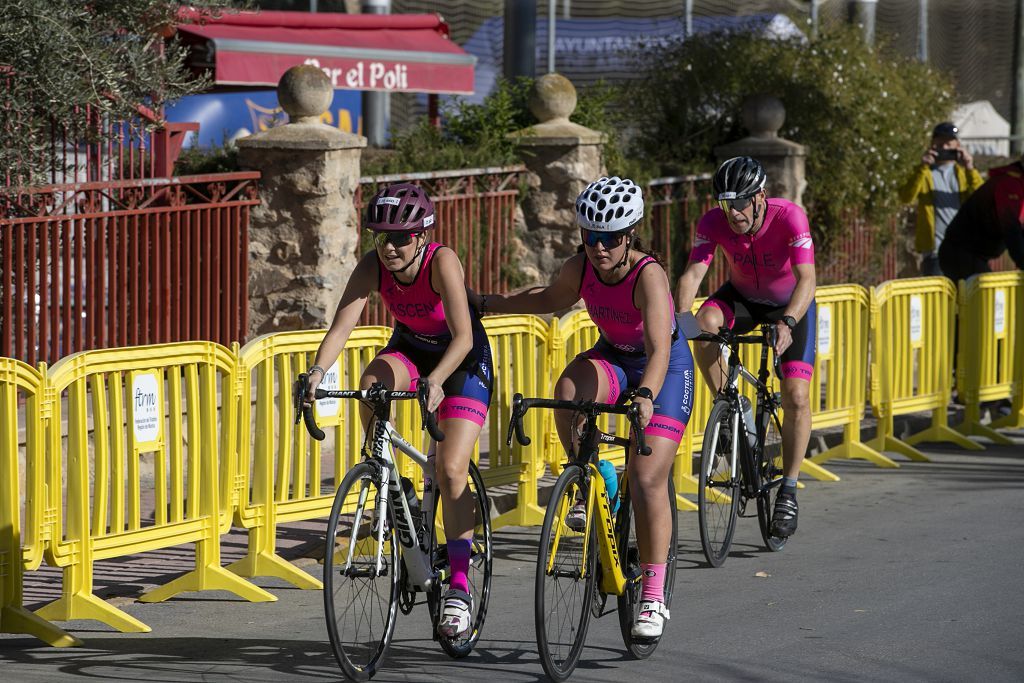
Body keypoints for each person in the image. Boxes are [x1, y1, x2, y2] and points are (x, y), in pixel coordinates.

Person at [471, 176, 694, 640]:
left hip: (664, 370)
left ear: (630, 235)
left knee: (648, 475)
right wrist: (491, 303)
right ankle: (588, 474)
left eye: (610, 238)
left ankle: (652, 593)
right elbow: (550, 300)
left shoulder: (648, 275)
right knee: (569, 391)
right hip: (614, 356)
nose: (599, 248)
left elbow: (656, 351)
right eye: (591, 237)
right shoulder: (582, 267)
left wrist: (646, 398)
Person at [303, 183, 493, 639]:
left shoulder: (441, 261)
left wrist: (436, 383)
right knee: (371, 384)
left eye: (400, 238)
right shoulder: (373, 266)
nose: (389, 247)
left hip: (462, 361)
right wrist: (316, 372)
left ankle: (461, 588)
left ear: (422, 237)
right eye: (380, 236)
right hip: (410, 350)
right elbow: (343, 323)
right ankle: (389, 479)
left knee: (449, 471)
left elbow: (464, 336)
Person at [675, 156, 816, 539]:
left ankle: (788, 489)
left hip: (789, 305)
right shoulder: (712, 222)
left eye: (740, 203)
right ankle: (731, 406)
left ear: (759, 197)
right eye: (726, 203)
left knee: (796, 396)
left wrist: (788, 322)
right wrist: (680, 318)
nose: (733, 212)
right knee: (703, 325)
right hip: (742, 299)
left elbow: (807, 278)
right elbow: (693, 272)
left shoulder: (790, 217)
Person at [898, 122, 983, 276]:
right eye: (940, 142)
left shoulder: (964, 174)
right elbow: (906, 197)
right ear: (932, 144)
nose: (944, 147)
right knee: (938, 298)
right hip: (935, 252)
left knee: (966, 297)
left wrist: (970, 167)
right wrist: (922, 167)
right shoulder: (923, 174)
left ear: (957, 145)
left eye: (948, 143)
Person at [938, 157, 1024, 281]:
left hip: (973, 255)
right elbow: (1011, 229)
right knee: (990, 297)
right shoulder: (1009, 183)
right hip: (961, 253)